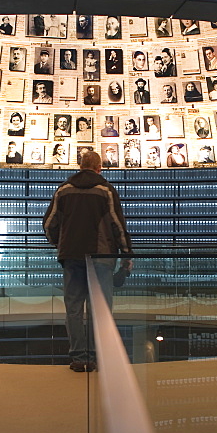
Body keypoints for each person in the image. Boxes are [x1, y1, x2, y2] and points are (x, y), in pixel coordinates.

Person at [43, 150, 132, 372]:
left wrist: (59, 243)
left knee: (73, 308)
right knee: (99, 309)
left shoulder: (63, 190)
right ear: (99, 168)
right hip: (101, 258)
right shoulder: (106, 191)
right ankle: (96, 356)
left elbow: (48, 224)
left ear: (80, 166)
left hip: (71, 257)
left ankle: (79, 358)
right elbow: (118, 227)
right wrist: (126, 258)